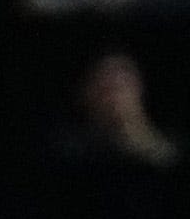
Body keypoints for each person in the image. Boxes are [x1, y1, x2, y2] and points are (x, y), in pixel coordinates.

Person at [51, 50, 179, 167]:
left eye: (123, 81)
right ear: (85, 95)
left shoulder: (174, 145)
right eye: (104, 87)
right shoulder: (69, 151)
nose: (114, 94)